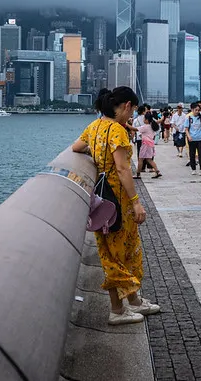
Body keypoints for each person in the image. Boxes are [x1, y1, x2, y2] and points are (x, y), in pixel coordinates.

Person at [71, 87, 161, 324]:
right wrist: (136, 203)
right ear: (128, 106)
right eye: (131, 111)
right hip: (118, 200)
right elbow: (123, 169)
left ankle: (133, 301)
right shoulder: (118, 132)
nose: (130, 117)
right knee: (119, 253)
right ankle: (116, 310)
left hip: (102, 199)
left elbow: (76, 148)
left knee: (116, 249)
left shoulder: (95, 127)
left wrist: (98, 152)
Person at [135, 112, 162, 179]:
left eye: (144, 118)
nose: (143, 119)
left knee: (140, 159)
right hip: (150, 144)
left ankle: (138, 174)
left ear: (147, 120)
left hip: (145, 144)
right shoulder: (151, 126)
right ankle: (157, 171)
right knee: (149, 159)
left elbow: (135, 129)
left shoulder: (145, 126)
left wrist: (127, 125)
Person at [185, 102, 201, 176]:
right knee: (192, 154)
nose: (197, 112)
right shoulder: (189, 118)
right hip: (192, 138)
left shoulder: (200, 117)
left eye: (198, 110)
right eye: (196, 110)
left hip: (200, 138)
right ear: (192, 110)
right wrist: (189, 136)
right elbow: (186, 129)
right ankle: (193, 169)